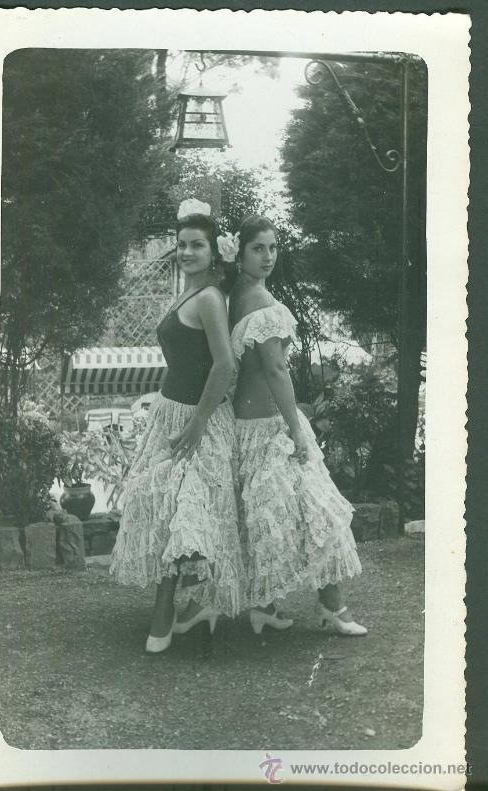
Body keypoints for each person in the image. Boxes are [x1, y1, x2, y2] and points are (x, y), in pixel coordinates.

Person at [110, 199, 243, 653]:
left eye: (197, 245)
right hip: (170, 411)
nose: (187, 252)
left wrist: (198, 424)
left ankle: (165, 614)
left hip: (197, 419)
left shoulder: (209, 298)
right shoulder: (186, 291)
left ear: (213, 252)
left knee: (181, 514)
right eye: (182, 244)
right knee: (164, 509)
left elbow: (224, 365)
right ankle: (188, 608)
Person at [228, 215, 367, 637]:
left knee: (271, 519)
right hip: (271, 426)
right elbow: (275, 369)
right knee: (315, 513)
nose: (268, 256)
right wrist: (296, 428)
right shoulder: (260, 301)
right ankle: (332, 606)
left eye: (273, 247)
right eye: (258, 248)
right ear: (240, 252)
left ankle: (265, 607)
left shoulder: (235, 295)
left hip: (245, 425)